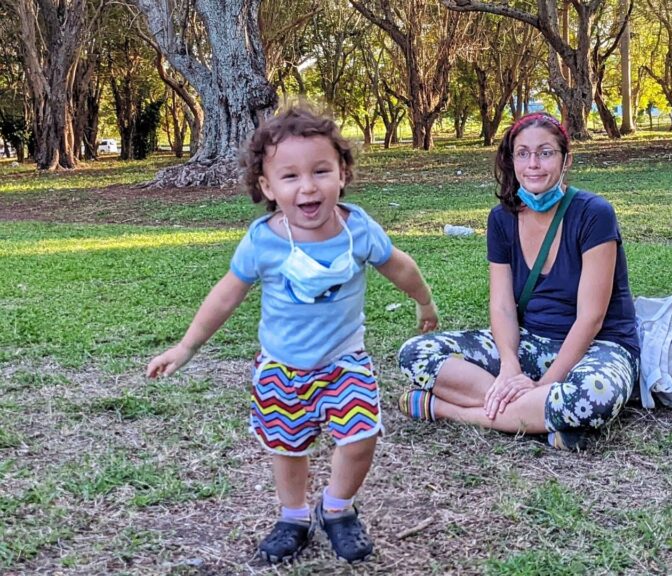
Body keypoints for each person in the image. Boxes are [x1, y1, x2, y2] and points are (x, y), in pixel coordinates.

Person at [145, 106, 439, 564]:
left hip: (345, 361)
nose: (307, 186)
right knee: (287, 447)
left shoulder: (357, 228)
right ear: (267, 187)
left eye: (321, 171)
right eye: (290, 176)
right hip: (282, 367)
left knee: (361, 436)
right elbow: (226, 295)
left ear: (342, 174)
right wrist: (187, 346)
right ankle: (294, 516)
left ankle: (338, 509)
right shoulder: (264, 240)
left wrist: (424, 300)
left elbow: (399, 265)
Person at [397, 112, 639, 451]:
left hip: (599, 346)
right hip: (530, 343)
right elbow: (501, 305)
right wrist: (509, 368)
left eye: (545, 152)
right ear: (511, 161)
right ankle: (542, 416)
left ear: (566, 160)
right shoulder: (502, 219)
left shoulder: (593, 213)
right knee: (417, 353)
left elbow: (591, 318)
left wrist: (544, 384)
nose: (533, 164)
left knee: (591, 397)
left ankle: (446, 409)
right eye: (522, 153)